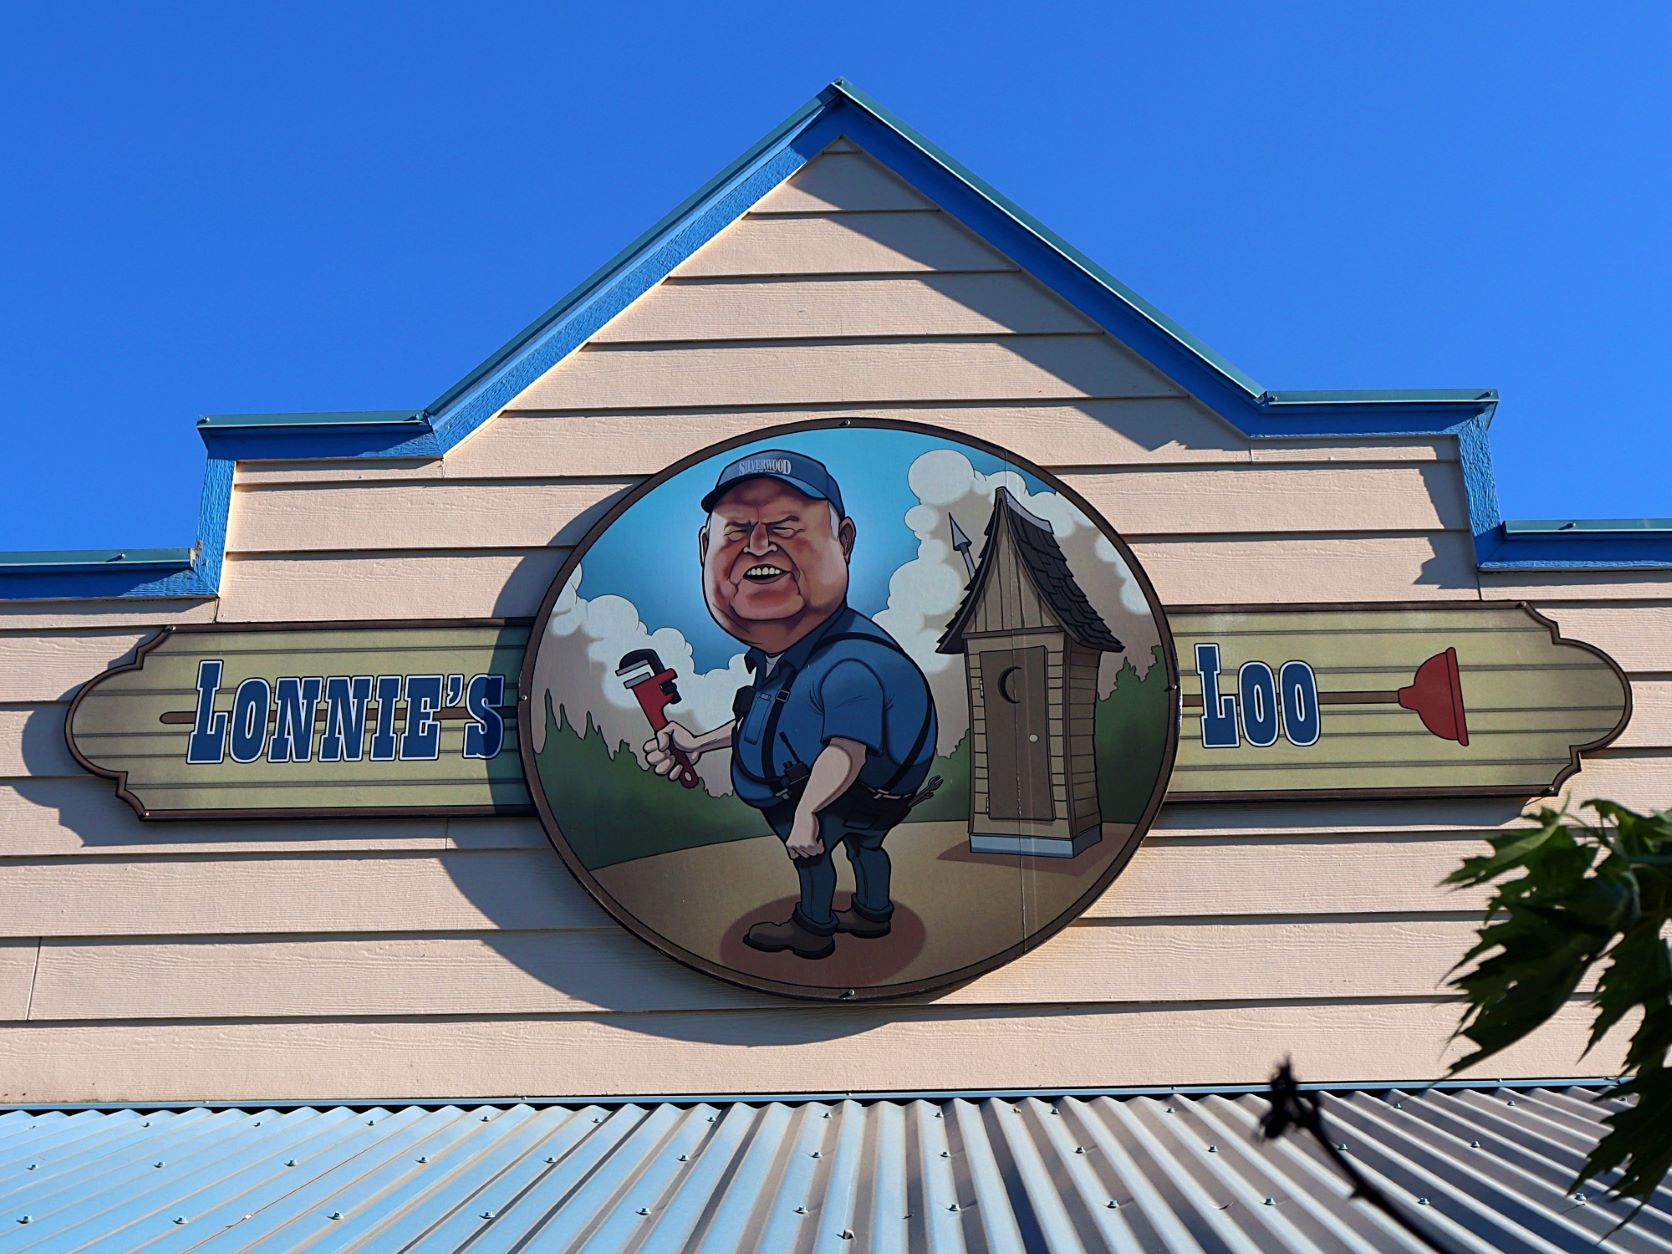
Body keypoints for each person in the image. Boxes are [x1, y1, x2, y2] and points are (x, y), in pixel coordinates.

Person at [644, 449, 936, 960]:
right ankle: (872, 912)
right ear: (705, 548)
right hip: (833, 788)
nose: (759, 546)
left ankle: (815, 926)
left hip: (848, 791)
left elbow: (846, 750)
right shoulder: (782, 658)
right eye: (737, 530)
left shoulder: (850, 664)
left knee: (817, 851)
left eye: (785, 527)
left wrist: (807, 812)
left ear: (844, 541)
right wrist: (698, 744)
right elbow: (767, 722)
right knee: (866, 847)